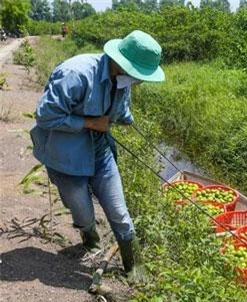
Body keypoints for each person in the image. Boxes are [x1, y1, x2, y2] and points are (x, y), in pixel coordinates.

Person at [30, 30, 165, 282]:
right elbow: (46, 116)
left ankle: (132, 263)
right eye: (139, 74)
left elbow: (121, 110)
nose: (140, 81)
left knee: (119, 212)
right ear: (121, 63)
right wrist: (91, 123)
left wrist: (126, 120)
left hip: (100, 152)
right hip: (66, 156)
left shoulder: (124, 80)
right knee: (82, 212)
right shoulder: (76, 73)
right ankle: (89, 238)